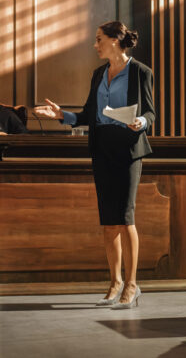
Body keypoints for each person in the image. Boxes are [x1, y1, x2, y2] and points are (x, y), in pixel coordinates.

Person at [34, 21, 155, 309]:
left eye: (99, 39)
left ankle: (132, 284)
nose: (95, 44)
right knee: (108, 221)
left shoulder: (141, 72)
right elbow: (89, 114)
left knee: (126, 218)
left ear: (115, 40)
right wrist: (62, 115)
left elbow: (150, 111)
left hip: (127, 148)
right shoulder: (99, 74)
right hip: (101, 150)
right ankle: (114, 283)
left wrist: (142, 122)